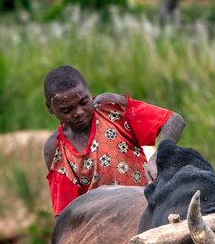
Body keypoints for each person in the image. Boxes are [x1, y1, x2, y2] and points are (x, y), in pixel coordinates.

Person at [43, 65, 185, 216]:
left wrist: (157, 158)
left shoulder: (112, 110)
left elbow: (174, 121)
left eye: (83, 102)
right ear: (50, 108)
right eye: (67, 110)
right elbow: (66, 212)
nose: (78, 112)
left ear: (89, 92)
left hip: (149, 208)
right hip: (103, 222)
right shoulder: (56, 149)